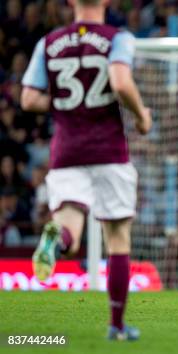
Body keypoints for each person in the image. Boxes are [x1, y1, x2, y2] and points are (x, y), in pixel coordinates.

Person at [21, 0, 152, 341]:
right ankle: (117, 326)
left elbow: (28, 99)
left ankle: (56, 239)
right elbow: (121, 83)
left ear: (70, 2)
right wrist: (141, 116)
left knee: (70, 230)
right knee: (118, 240)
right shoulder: (118, 38)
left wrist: (66, 100)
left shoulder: (48, 43)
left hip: (66, 151)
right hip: (109, 151)